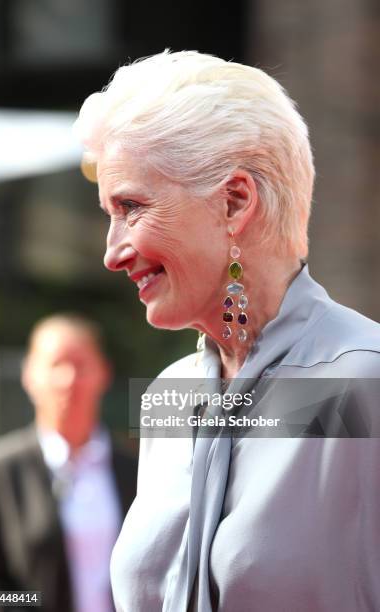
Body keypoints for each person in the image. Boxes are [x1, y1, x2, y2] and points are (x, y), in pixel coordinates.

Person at [74, 51, 380, 612]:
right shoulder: (172, 393)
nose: (111, 253)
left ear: (235, 201)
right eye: (108, 214)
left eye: (132, 207)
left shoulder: (363, 381)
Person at [0, 314, 137, 612]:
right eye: (56, 365)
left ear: (103, 373)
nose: (68, 379)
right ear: (29, 375)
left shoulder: (136, 469)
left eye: (80, 365)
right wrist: (36, 604)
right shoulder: (0, 470)